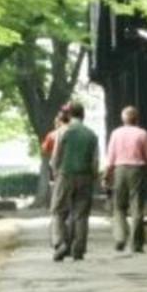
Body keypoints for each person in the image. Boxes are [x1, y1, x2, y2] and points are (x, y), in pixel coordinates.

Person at [103, 104, 147, 253]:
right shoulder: (142, 134)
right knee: (137, 207)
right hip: (137, 170)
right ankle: (136, 244)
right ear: (137, 119)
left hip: (120, 170)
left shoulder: (115, 133)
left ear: (123, 119)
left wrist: (106, 175)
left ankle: (121, 237)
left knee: (119, 206)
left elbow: (110, 157)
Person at [50, 101, 100, 261]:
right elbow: (95, 160)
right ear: (82, 114)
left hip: (65, 175)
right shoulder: (91, 134)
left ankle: (60, 242)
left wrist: (56, 172)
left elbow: (56, 156)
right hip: (85, 176)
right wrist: (93, 176)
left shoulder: (63, 131)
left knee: (58, 211)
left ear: (69, 115)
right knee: (81, 214)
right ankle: (78, 249)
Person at [41, 105, 71, 252]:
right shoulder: (76, 133)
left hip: (59, 175)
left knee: (57, 208)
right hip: (77, 173)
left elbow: (45, 150)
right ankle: (71, 239)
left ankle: (59, 241)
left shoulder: (53, 135)